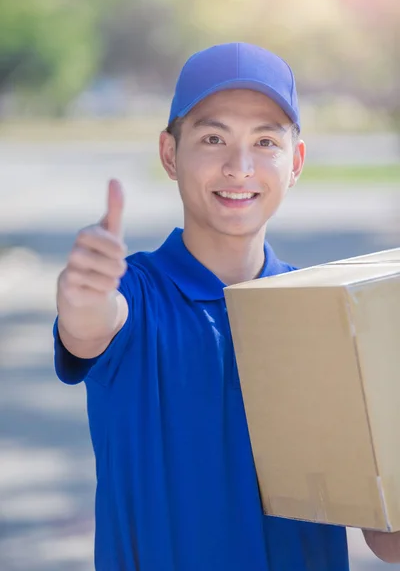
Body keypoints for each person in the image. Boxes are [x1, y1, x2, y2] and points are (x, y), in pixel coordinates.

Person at [53, 42, 398, 570]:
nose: (239, 167)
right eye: (213, 138)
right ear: (170, 153)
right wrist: (83, 296)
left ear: (296, 161)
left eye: (265, 141)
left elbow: (386, 538)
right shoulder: (135, 295)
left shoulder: (331, 320)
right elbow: (90, 327)